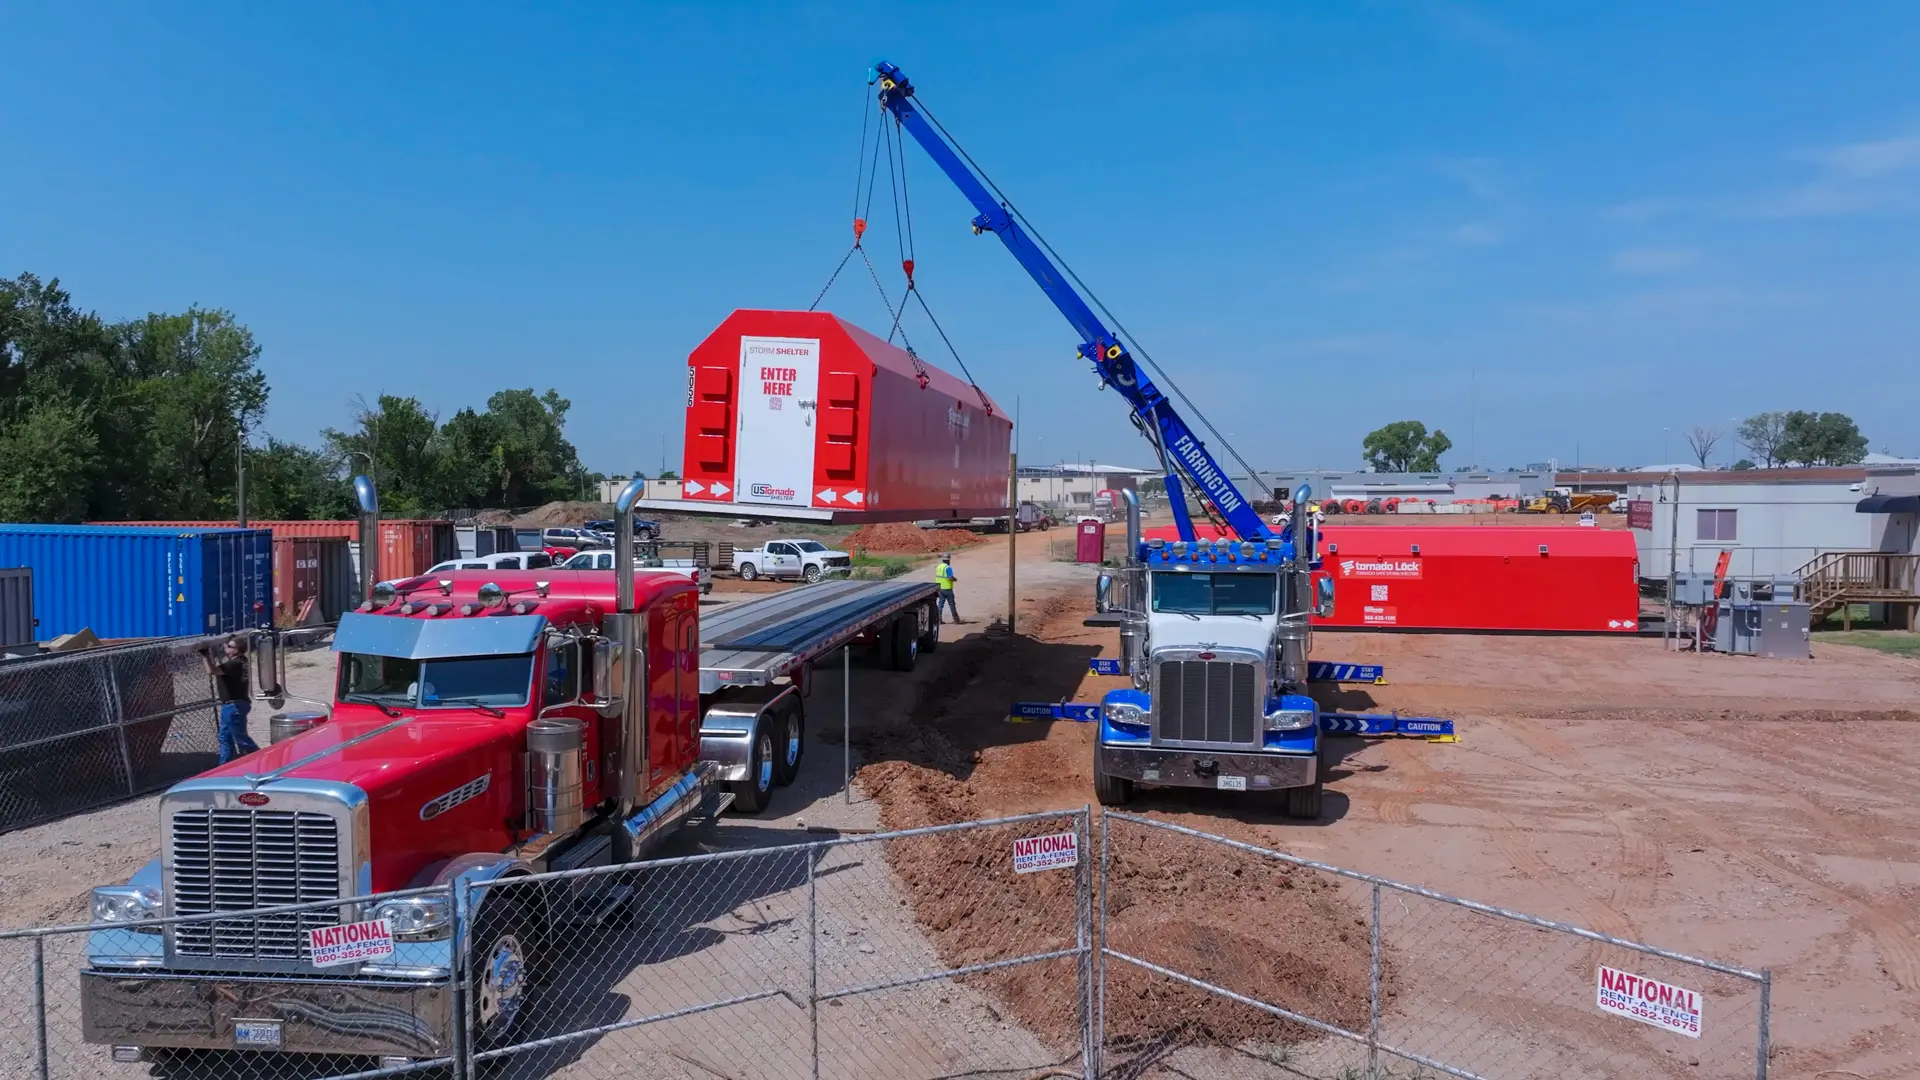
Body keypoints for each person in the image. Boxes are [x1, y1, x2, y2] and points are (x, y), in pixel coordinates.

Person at [203, 635, 261, 763]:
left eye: (228, 646)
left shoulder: (235, 664)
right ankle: (224, 767)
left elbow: (212, 671)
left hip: (233, 706)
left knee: (240, 738)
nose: (225, 647)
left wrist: (205, 655)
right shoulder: (242, 662)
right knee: (225, 738)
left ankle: (263, 759)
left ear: (236, 650)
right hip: (233, 705)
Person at [934, 552, 960, 624]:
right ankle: (956, 619)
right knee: (951, 604)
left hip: (940, 589)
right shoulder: (948, 568)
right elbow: (950, 578)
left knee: (940, 605)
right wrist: (955, 579)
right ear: (948, 560)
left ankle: (939, 619)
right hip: (947, 589)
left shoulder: (938, 567)